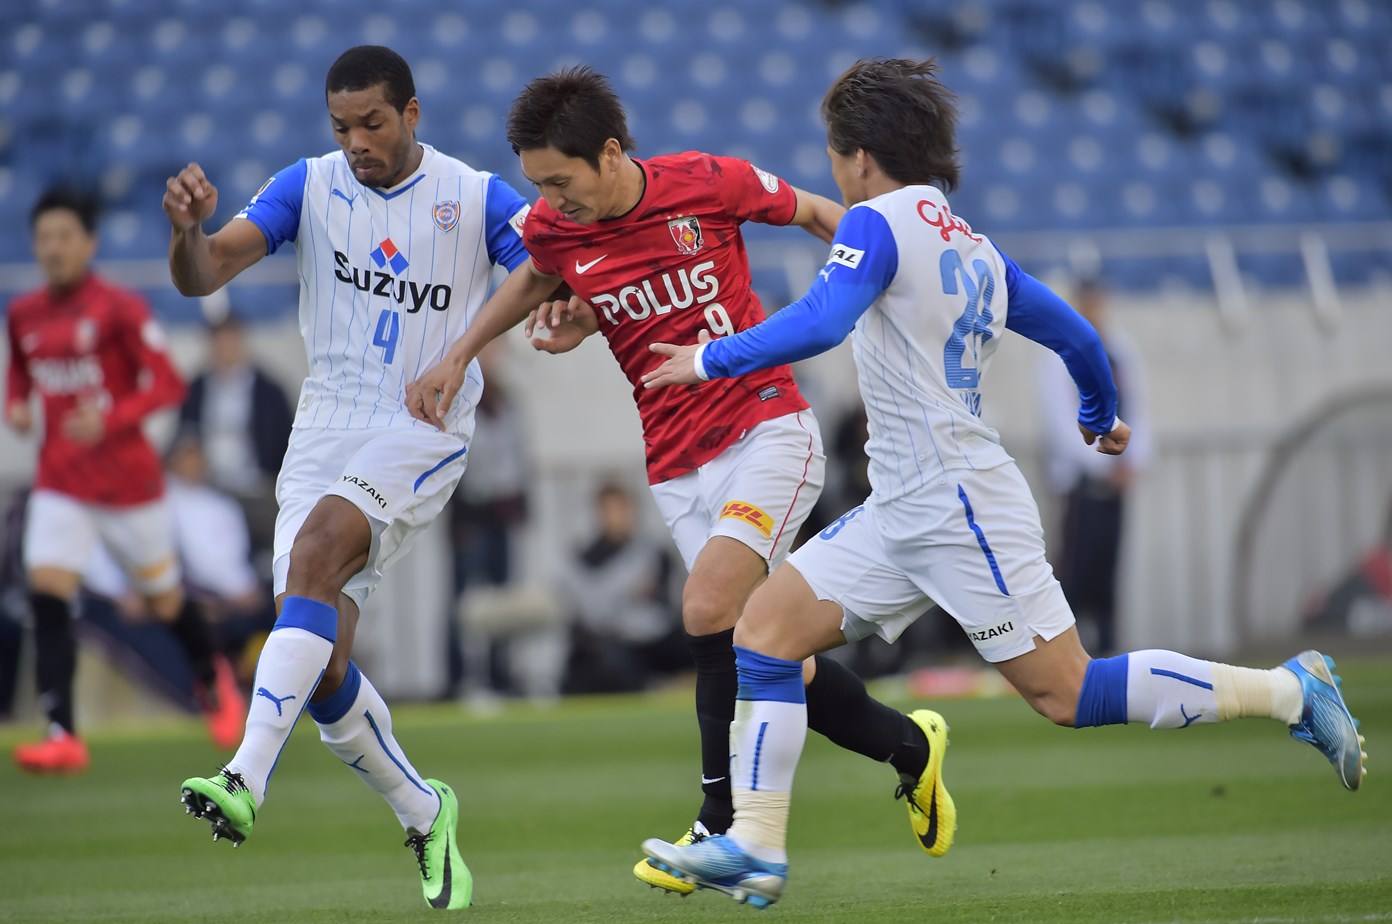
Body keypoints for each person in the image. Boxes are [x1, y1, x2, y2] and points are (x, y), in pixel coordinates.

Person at [638, 57, 1367, 908]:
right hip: (904, 506)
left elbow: (823, 321)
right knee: (762, 633)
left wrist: (709, 357)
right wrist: (1099, 411)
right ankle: (756, 846)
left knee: (1069, 693)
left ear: (861, 157)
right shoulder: (973, 246)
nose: (833, 171)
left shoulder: (874, 224)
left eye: (834, 154)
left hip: (959, 506)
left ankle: (1290, 689)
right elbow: (1078, 338)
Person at [405, 66, 957, 896]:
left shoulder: (706, 181)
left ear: (612, 153)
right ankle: (909, 748)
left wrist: (892, 270)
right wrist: (461, 352)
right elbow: (533, 278)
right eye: (537, 185)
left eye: (560, 180)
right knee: (769, 656)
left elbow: (813, 211)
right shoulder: (559, 228)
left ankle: (719, 819)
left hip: (767, 430)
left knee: (704, 608)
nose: (551, 200)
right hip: (674, 466)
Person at [162, 45, 536, 911]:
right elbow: (205, 272)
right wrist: (187, 231)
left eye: (372, 122)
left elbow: (544, 264)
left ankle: (245, 775)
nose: (357, 140)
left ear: (412, 113)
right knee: (323, 655)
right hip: (322, 430)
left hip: (420, 424)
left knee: (316, 557)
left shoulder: (474, 195)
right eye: (342, 126)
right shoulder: (309, 185)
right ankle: (422, 807)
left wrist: (472, 349)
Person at [5, 188, 245, 774]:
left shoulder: (119, 309)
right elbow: (19, 375)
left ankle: (212, 676)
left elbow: (167, 383)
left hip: (129, 488)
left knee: (164, 600)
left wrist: (108, 418)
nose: (54, 249)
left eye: (65, 237)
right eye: (44, 239)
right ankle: (63, 731)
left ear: (88, 243)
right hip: (61, 482)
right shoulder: (23, 314)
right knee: (48, 592)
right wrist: (16, 405)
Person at [1036, 276, 1151, 654]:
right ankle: (1067, 655)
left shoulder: (1122, 349)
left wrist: (1131, 461)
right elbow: (1061, 422)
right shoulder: (1059, 353)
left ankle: (1107, 653)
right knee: (1074, 574)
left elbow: (1139, 408)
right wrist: (1106, 464)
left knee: (1107, 576)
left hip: (1115, 483)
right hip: (1081, 484)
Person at [178, 312, 294, 558]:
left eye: (230, 341)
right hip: (209, 489)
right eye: (219, 342)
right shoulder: (196, 389)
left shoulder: (269, 391)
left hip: (259, 488)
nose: (225, 349)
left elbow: (289, 443)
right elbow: (182, 437)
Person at [557, 479, 687, 695]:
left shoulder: (653, 551)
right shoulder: (585, 559)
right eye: (611, 510)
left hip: (654, 637)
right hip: (613, 640)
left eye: (623, 509)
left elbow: (667, 603)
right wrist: (628, 592)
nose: (619, 516)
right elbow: (590, 613)